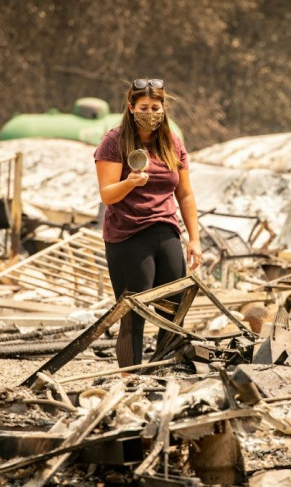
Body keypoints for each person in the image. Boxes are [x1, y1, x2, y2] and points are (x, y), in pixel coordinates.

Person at [94, 78, 201, 367]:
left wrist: (194, 238)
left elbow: (185, 193)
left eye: (156, 107)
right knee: (133, 312)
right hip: (128, 236)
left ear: (164, 108)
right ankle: (129, 379)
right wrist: (129, 182)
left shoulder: (171, 142)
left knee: (174, 308)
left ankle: (165, 368)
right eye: (144, 107)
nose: (150, 112)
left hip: (165, 230)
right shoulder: (114, 141)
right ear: (131, 107)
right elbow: (107, 195)